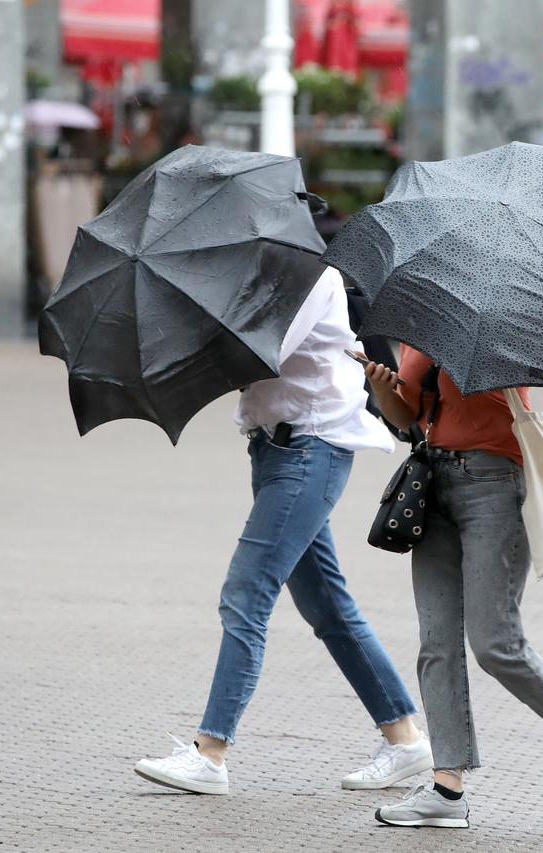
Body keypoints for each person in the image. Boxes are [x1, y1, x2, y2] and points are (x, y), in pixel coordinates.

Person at [133, 267, 431, 795]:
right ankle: (405, 740)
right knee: (328, 607)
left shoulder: (315, 280)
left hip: (309, 453)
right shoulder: (262, 280)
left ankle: (211, 752)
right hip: (274, 449)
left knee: (246, 594)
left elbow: (253, 352)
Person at [362, 351, 543, 829]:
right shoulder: (423, 329)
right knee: (436, 644)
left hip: (496, 486)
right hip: (433, 483)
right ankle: (447, 788)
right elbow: (412, 418)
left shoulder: (506, 324)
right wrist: (384, 389)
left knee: (495, 643)